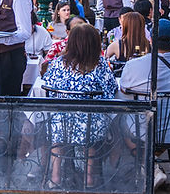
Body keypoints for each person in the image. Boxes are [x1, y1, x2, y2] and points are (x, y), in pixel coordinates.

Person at [119, 18, 170, 189]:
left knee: (119, 121)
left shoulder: (134, 65)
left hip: (142, 131)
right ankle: (152, 165)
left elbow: (124, 89)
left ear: (150, 40)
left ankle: (146, 164)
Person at [42, 24, 118, 188]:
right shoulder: (100, 66)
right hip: (91, 125)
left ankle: (55, 176)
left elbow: (47, 84)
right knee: (93, 127)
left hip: (61, 124)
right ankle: (89, 177)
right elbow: (111, 90)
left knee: (58, 130)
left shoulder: (58, 63)